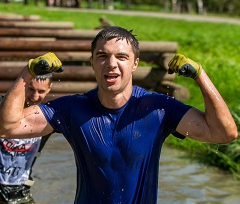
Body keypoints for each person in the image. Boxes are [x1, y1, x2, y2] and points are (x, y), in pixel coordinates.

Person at [0, 26, 237, 204]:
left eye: (121, 57)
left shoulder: (158, 109)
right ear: (92, 63)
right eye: (102, 56)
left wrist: (200, 75)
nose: (111, 64)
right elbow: (9, 126)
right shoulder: (72, 109)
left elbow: (224, 133)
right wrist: (27, 73)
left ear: (135, 63)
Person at [0, 74, 53, 204]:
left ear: (49, 89)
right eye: (30, 89)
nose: (35, 97)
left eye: (41, 91)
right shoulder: (1, 108)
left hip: (22, 194)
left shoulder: (49, 118)